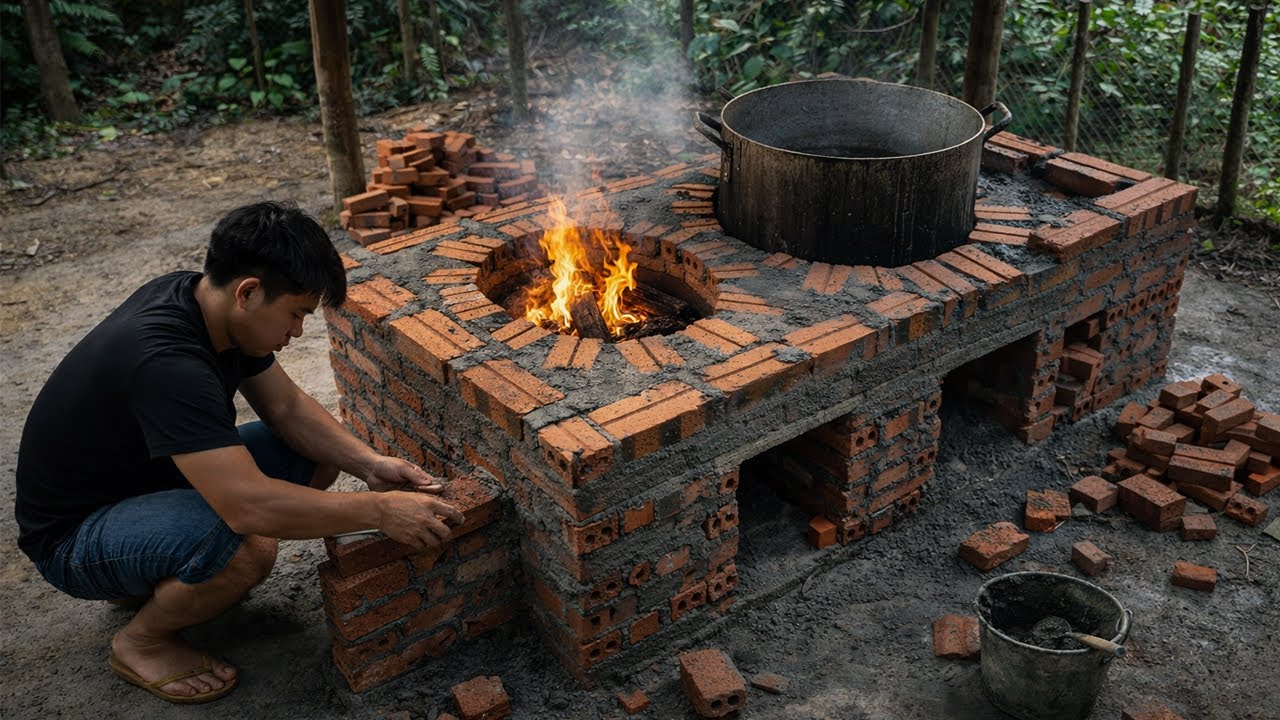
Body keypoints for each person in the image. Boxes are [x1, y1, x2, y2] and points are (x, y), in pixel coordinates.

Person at [15, 201, 462, 704]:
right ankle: (140, 640)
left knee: (314, 453)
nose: (296, 332)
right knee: (247, 549)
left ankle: (168, 571)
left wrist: (370, 464)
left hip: (144, 483)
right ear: (249, 292)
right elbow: (247, 507)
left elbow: (288, 408)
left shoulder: (205, 299)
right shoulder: (166, 364)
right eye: (295, 314)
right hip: (74, 537)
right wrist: (378, 510)